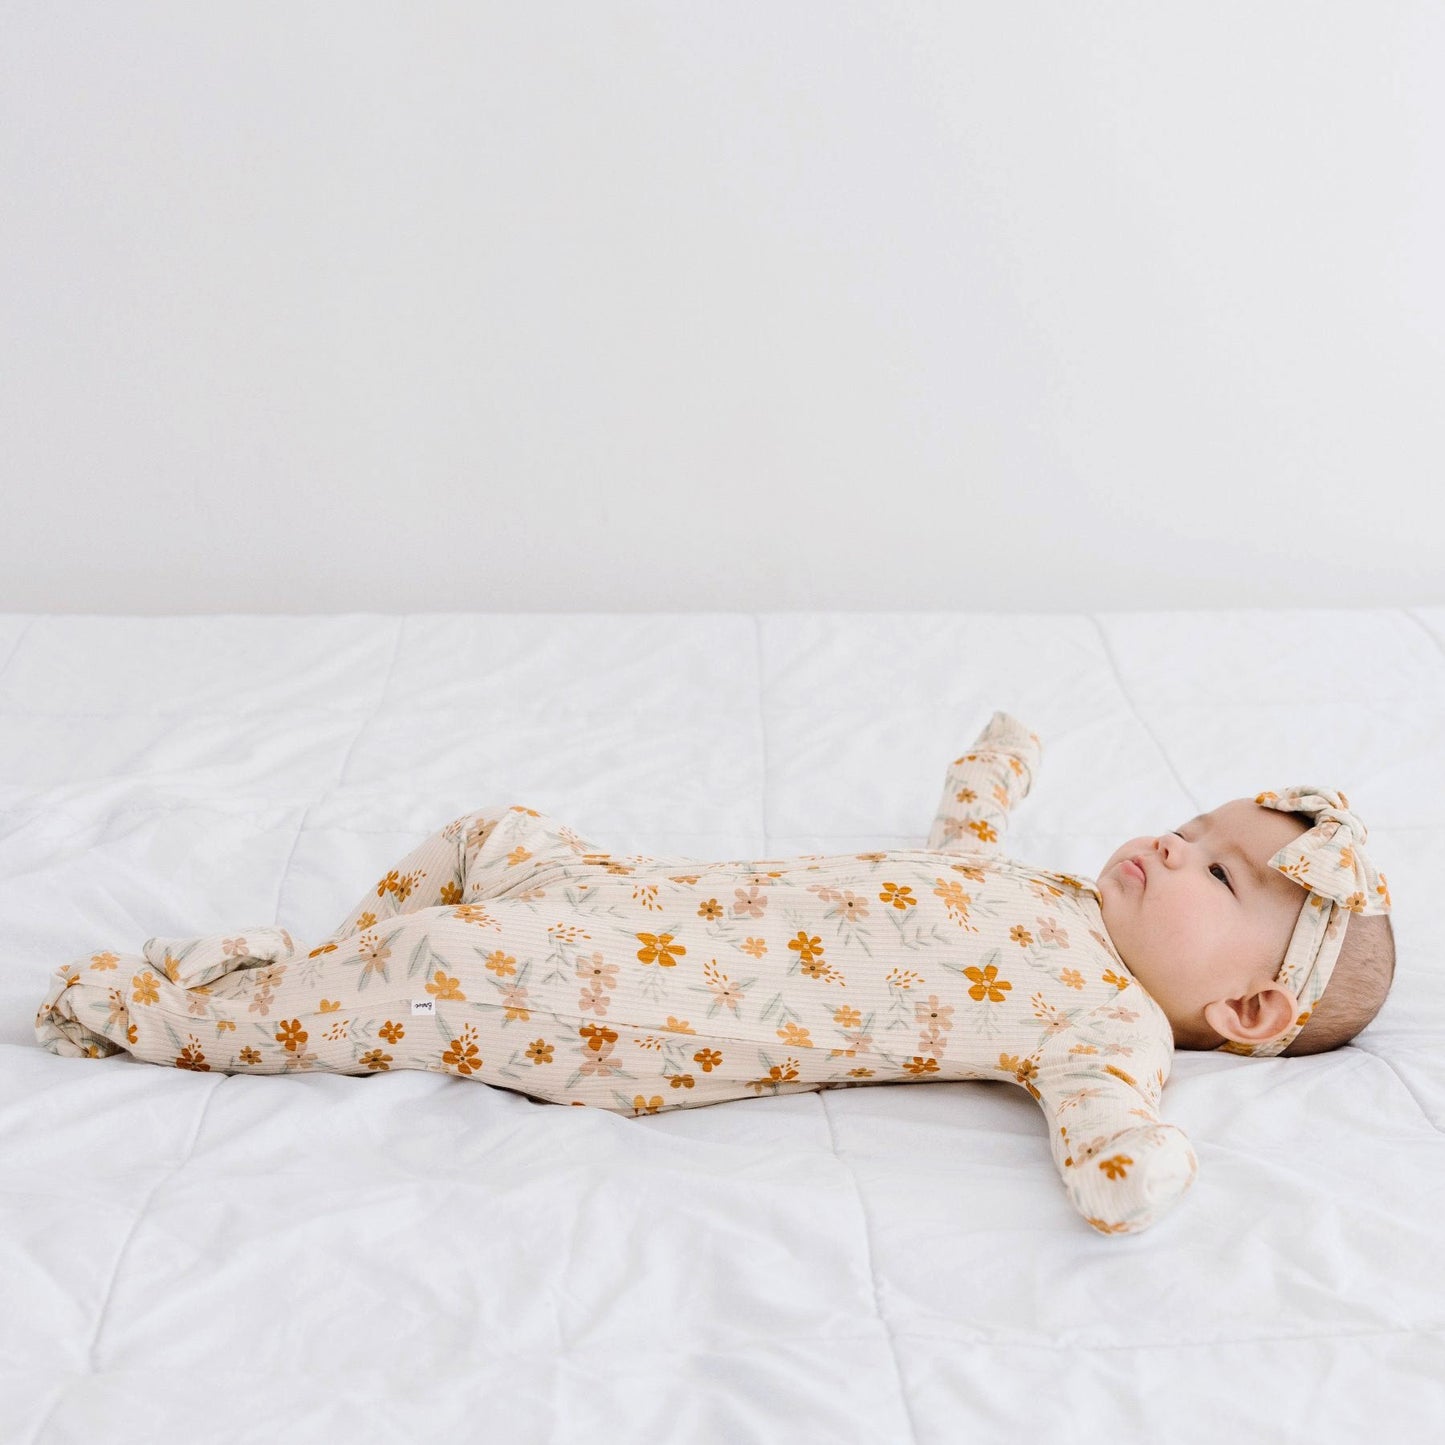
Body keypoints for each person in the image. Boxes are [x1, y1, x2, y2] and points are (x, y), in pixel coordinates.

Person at [33, 712, 1394, 1234]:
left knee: (436, 970)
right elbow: (950, 872)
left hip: (634, 1006)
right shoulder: (1058, 897)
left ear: (1248, 1011)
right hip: (634, 899)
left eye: (1217, 874)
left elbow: (1109, 1155)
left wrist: (1145, 1165)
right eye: (1195, 823)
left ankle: (169, 1015)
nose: (1172, 842)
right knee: (489, 835)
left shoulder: (1104, 1024)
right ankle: (314, 957)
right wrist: (985, 787)